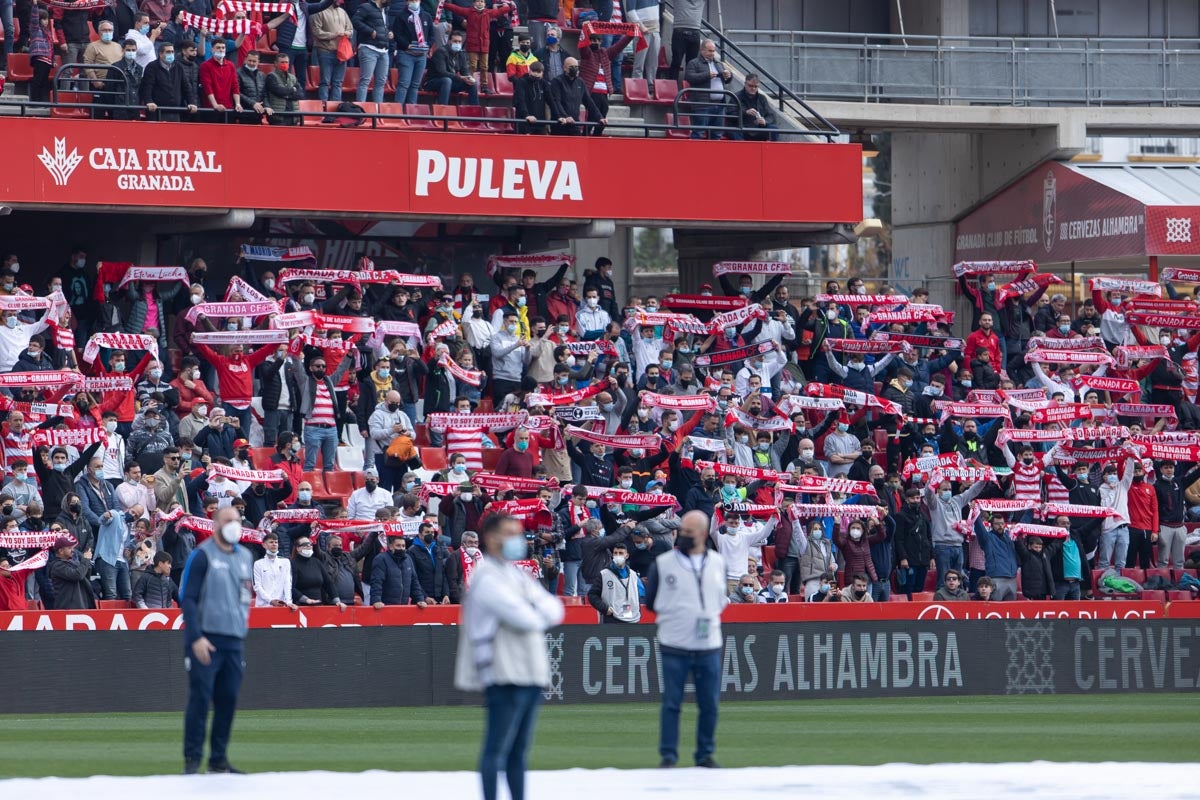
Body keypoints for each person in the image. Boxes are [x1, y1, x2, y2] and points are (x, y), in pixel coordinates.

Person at [454, 512, 564, 800]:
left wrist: (535, 613)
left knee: (518, 751)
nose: (519, 540)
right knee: (497, 748)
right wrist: (536, 613)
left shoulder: (515, 574)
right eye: (511, 534)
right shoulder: (485, 577)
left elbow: (555, 609)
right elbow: (523, 617)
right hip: (503, 672)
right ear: (492, 539)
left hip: (528, 671)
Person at [644, 510, 726, 769]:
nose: (682, 536)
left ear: (702, 534)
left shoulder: (717, 562)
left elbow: (720, 598)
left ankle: (705, 754)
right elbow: (651, 602)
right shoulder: (663, 563)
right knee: (671, 702)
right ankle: (668, 755)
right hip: (674, 643)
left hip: (708, 643)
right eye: (681, 531)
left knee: (709, 703)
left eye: (688, 532)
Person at [179, 506, 254, 775]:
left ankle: (218, 759)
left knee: (228, 699)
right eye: (228, 520)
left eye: (237, 520)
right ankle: (192, 759)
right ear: (215, 525)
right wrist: (195, 637)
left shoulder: (245, 556)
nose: (234, 524)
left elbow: (244, 595)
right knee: (200, 699)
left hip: (234, 639)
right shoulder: (202, 555)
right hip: (206, 639)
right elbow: (187, 598)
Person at [683, 39, 733, 140]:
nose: (712, 53)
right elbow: (689, 77)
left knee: (717, 134)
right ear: (702, 50)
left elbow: (726, 81)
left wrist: (729, 76)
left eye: (713, 51)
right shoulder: (694, 63)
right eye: (710, 51)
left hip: (719, 105)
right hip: (702, 105)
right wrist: (707, 75)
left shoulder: (718, 63)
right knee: (698, 133)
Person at [547, 56, 604, 136]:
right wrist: (565, 116)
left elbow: (589, 102)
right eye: (571, 67)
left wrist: (600, 117)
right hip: (560, 124)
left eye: (576, 67)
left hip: (575, 124)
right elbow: (556, 102)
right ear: (564, 68)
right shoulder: (557, 82)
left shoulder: (580, 82)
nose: (574, 69)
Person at [588, 541, 644, 622]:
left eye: (621, 553)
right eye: (615, 553)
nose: (618, 556)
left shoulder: (633, 575)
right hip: (611, 617)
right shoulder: (604, 574)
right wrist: (605, 609)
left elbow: (638, 595)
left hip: (630, 615)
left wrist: (637, 610)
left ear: (627, 556)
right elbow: (592, 595)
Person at [370, 533, 428, 607]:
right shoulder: (381, 559)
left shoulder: (408, 559)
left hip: (403, 607)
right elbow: (377, 582)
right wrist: (376, 600)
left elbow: (414, 582)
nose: (401, 548)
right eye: (398, 546)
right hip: (385, 606)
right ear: (390, 546)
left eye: (403, 546)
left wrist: (419, 599)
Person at [424, 29, 479, 105]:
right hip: (433, 82)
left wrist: (469, 78)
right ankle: (443, 108)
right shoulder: (441, 52)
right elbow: (442, 72)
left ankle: (474, 109)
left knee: (472, 83)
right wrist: (460, 77)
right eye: (455, 41)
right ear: (449, 41)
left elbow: (465, 71)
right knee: (447, 80)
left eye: (459, 42)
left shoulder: (461, 54)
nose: (457, 43)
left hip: (450, 82)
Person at [733, 74, 778, 141]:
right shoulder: (736, 97)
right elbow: (731, 114)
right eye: (750, 86)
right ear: (745, 84)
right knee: (735, 131)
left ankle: (773, 147)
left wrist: (765, 121)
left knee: (773, 128)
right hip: (742, 127)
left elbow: (771, 115)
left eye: (755, 86)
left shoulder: (762, 98)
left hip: (758, 127)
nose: (753, 88)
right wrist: (745, 112)